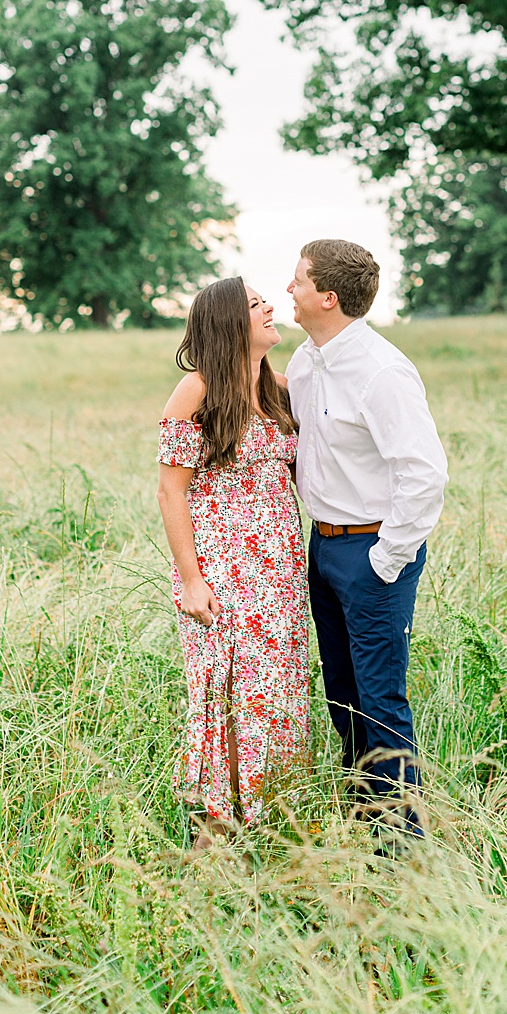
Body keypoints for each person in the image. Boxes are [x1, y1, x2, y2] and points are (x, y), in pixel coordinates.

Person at [285, 239, 449, 841]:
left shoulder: (382, 372)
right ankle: (365, 818)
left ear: (327, 297)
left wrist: (386, 559)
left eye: (297, 281)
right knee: (342, 694)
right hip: (322, 547)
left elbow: (424, 472)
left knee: (379, 700)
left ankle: (403, 845)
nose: (289, 291)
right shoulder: (305, 364)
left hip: (374, 551)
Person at [156, 278, 309, 849]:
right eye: (254, 304)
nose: (270, 307)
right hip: (220, 568)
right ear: (228, 324)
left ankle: (276, 817)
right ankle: (217, 829)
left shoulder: (280, 389)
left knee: (278, 688)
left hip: (281, 570)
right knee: (226, 687)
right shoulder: (195, 392)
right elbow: (171, 492)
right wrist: (191, 581)